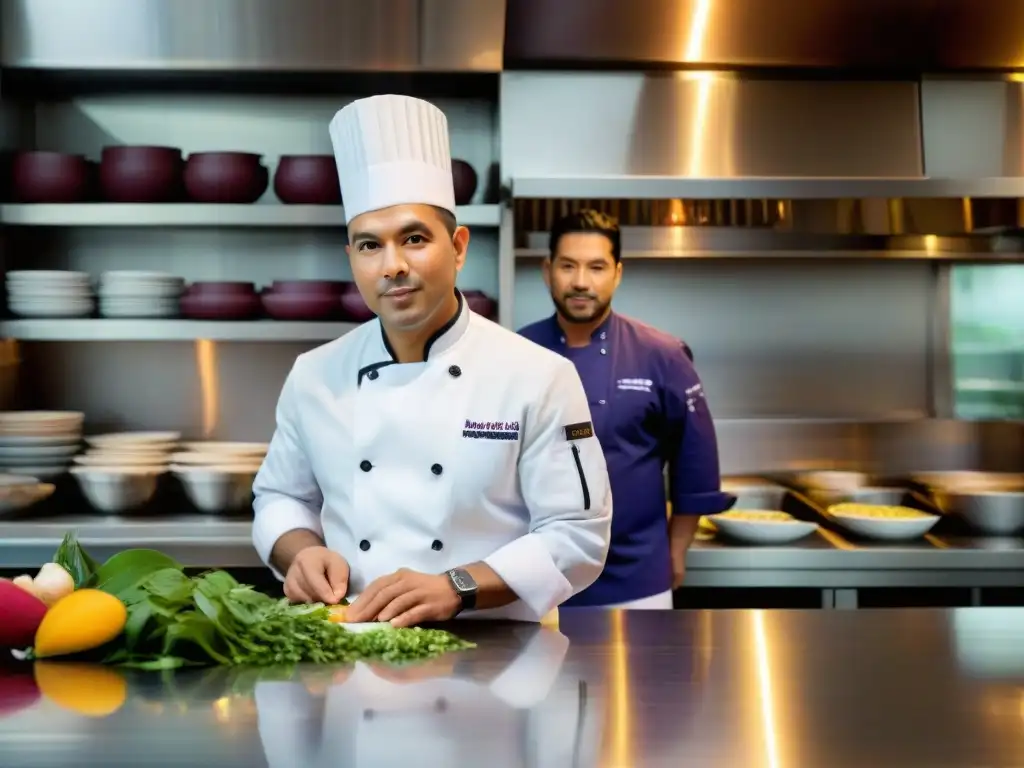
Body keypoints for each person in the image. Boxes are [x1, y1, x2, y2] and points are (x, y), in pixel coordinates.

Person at [251, 95, 612, 626]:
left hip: (495, 661)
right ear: (351, 258)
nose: (392, 266)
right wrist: (298, 551)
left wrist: (458, 585)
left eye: (414, 239)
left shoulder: (538, 376)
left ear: (459, 246)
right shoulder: (315, 374)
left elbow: (578, 533)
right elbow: (280, 496)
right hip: (353, 647)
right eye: (369, 246)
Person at [518, 210, 733, 610]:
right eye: (568, 266)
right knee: (540, 674)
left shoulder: (662, 355)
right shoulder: (516, 353)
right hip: (538, 577)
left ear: (617, 273)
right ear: (548, 271)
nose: (581, 281)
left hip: (638, 579)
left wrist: (677, 549)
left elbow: (695, 465)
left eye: (596, 267)